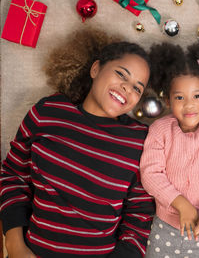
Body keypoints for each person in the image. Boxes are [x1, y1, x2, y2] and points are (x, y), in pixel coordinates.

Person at [0, 30, 155, 258]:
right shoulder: (48, 112)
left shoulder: (140, 140)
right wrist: (14, 244)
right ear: (96, 69)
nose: (127, 88)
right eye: (122, 75)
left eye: (137, 88)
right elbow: (13, 174)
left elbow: (139, 216)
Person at [140, 38, 199, 258]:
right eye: (180, 97)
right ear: (167, 101)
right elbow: (150, 174)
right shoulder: (159, 129)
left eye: (197, 96)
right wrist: (181, 205)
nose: (189, 104)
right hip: (166, 222)